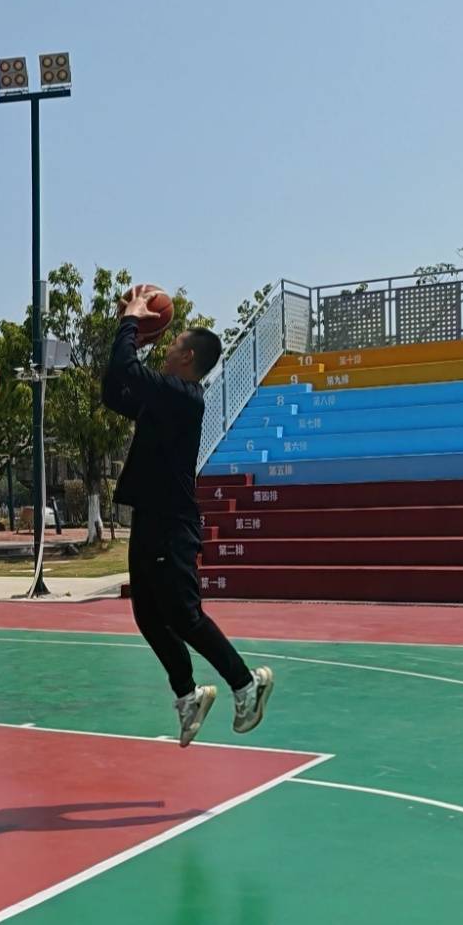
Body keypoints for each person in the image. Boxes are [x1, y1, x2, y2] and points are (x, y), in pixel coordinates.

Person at [105, 286, 273, 746]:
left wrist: (132, 322)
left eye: (174, 342)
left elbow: (127, 371)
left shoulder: (184, 396)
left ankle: (246, 683)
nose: (168, 346)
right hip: (150, 518)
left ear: (188, 356)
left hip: (171, 523)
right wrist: (130, 337)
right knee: (147, 615)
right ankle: (188, 694)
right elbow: (114, 389)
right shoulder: (164, 398)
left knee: (183, 615)